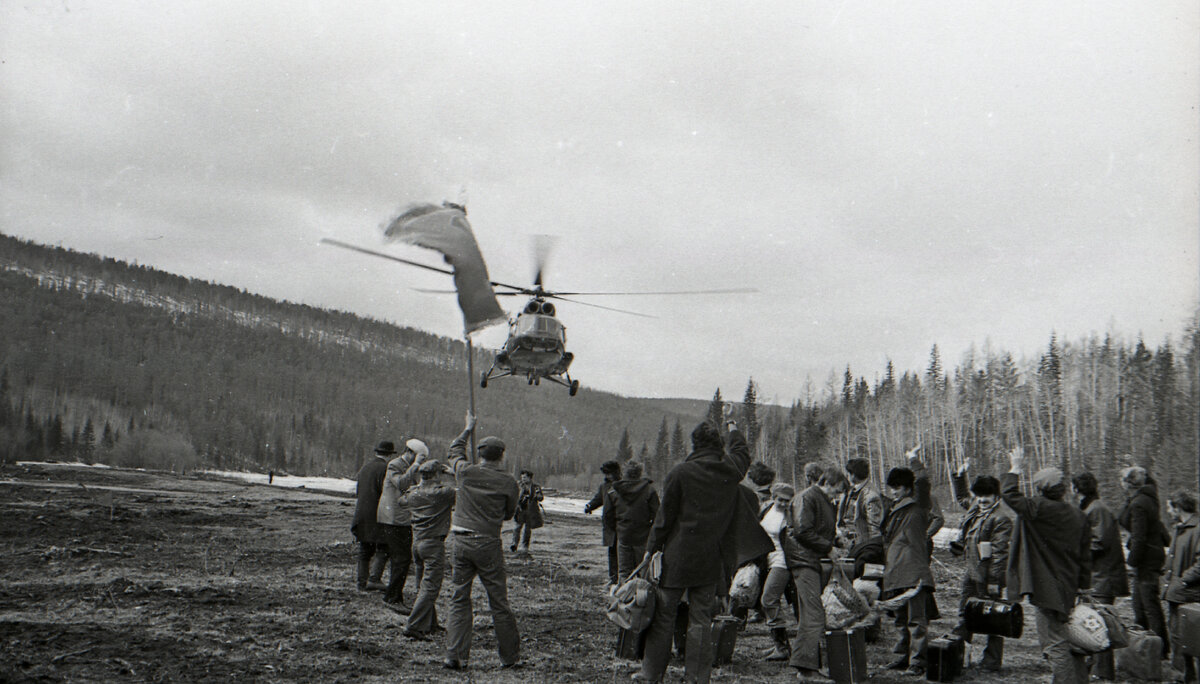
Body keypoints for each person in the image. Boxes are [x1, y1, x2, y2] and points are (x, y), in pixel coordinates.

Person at [633, 417, 754, 684]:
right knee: (700, 620)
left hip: (677, 557)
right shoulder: (731, 470)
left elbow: (663, 520)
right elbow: (742, 453)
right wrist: (733, 426)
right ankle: (697, 679)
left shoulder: (680, 472)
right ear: (719, 445)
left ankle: (651, 675)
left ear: (694, 443)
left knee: (664, 618)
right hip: (710, 559)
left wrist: (649, 551)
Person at [1002, 447, 1092, 684]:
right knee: (1071, 640)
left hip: (1046, 588)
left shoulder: (1038, 509)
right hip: (1069, 586)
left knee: (1055, 644)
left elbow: (1009, 494)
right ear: (1063, 490)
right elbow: (1085, 557)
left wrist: (1016, 468)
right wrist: (1084, 586)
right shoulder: (1078, 516)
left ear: (1041, 489)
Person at [443, 413, 521, 671]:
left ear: (480, 454)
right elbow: (509, 514)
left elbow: (454, 451)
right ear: (502, 456)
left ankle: (455, 656)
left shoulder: (465, 471)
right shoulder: (509, 481)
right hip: (488, 543)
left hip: (461, 540)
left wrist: (467, 429)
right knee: (499, 601)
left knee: (458, 597)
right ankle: (509, 658)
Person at [782, 463, 847, 680]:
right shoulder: (807, 498)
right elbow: (802, 530)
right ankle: (805, 669)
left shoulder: (822, 499)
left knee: (811, 613)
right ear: (826, 483)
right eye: (836, 490)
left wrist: (836, 538)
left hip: (812, 560)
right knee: (814, 614)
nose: (837, 495)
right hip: (803, 561)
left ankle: (810, 665)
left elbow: (818, 528)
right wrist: (828, 547)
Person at [950, 461, 1012, 672]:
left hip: (989, 576)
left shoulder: (1001, 519)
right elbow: (962, 499)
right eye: (979, 496)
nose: (982, 500)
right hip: (972, 572)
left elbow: (999, 553)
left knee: (993, 619)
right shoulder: (976, 508)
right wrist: (959, 478)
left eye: (987, 496)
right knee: (964, 614)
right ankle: (957, 655)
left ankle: (992, 661)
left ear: (996, 496)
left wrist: (994, 581)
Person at [880, 447, 936, 676]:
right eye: (892, 488)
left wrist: (913, 460)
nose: (894, 492)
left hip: (913, 571)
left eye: (898, 487)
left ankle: (917, 661)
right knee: (900, 619)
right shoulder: (893, 509)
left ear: (908, 488)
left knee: (916, 620)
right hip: (895, 571)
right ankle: (904, 657)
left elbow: (923, 482)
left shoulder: (919, 505)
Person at [1071, 470, 1128, 680]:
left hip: (1103, 578)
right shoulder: (1092, 508)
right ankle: (1097, 670)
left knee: (1100, 625)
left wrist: (1074, 551)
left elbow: (1098, 542)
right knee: (1093, 624)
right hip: (1097, 577)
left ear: (1076, 489)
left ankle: (1103, 673)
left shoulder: (1097, 509)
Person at [398, 458, 456, 640]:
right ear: (438, 474)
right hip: (433, 544)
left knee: (422, 584)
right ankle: (413, 625)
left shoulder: (413, 493)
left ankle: (430, 624)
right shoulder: (443, 493)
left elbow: (401, 501)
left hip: (417, 543)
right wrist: (453, 473)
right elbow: (466, 489)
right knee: (430, 586)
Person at [1118, 465, 1172, 655]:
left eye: (1123, 481)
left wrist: (1131, 562)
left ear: (1128, 483)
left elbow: (1139, 536)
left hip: (1146, 559)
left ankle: (1161, 649)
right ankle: (1148, 646)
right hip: (1151, 555)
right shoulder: (1147, 497)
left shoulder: (1139, 503)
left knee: (1148, 605)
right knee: (1141, 604)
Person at [377, 439, 428, 611]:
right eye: (420, 457)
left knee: (402, 559)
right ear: (412, 453)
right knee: (402, 559)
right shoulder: (395, 464)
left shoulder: (404, 466)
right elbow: (402, 483)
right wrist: (416, 465)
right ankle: (392, 598)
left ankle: (394, 596)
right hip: (394, 519)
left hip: (401, 518)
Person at [605, 460, 660, 583]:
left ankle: (624, 599)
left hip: (623, 535)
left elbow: (608, 517)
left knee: (624, 573)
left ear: (625, 473)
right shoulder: (650, 490)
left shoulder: (614, 491)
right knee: (643, 573)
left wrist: (618, 528)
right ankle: (642, 600)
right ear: (640, 473)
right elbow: (657, 516)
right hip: (643, 536)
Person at [1165, 490, 1200, 683]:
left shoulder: (1197, 529)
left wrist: (1184, 580)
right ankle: (1182, 677)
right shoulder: (1180, 528)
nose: (1169, 512)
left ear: (1178, 507)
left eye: (1170, 507)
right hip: (1177, 593)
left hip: (1190, 594)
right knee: (1178, 638)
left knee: (1194, 640)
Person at [351, 440, 395, 591]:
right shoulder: (386, 469)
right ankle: (375, 579)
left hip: (362, 514)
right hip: (379, 515)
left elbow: (358, 492)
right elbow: (387, 494)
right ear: (389, 455)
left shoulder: (365, 468)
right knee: (384, 547)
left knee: (365, 551)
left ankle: (361, 583)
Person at [760, 482, 795, 662]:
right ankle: (779, 644)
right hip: (768, 559)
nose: (783, 503)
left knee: (769, 599)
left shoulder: (790, 516)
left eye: (787, 501)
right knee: (768, 600)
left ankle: (782, 648)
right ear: (773, 498)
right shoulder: (767, 510)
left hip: (782, 561)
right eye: (780, 499)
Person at [837, 457, 887, 578]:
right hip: (850, 544)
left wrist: (871, 552)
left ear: (853, 474)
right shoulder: (851, 491)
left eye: (849, 473)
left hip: (864, 547)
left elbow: (874, 527)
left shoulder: (871, 495)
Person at [585, 460, 622, 588]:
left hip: (621, 524)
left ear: (616, 472)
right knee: (612, 552)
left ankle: (622, 580)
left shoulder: (622, 485)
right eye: (605, 474)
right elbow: (598, 499)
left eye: (609, 473)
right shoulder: (604, 487)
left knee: (622, 553)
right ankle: (613, 579)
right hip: (609, 526)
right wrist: (589, 506)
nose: (607, 476)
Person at [510, 469, 544, 554]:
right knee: (517, 528)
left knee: (527, 530)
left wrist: (537, 495)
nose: (523, 479)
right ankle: (514, 544)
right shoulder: (519, 486)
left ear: (530, 478)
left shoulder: (536, 487)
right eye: (522, 477)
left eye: (525, 477)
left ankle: (525, 546)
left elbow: (541, 498)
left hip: (531, 511)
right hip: (520, 510)